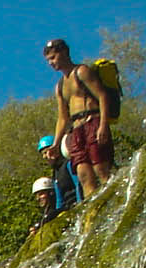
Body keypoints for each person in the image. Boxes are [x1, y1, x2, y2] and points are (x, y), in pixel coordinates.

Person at [45, 39, 117, 197]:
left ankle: (114, 197)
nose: (51, 63)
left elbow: (102, 96)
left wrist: (103, 125)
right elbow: (63, 117)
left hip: (93, 121)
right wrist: (56, 144)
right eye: (48, 60)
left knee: (101, 168)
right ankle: (93, 210)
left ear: (64, 53)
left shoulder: (82, 71)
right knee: (83, 175)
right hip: (76, 131)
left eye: (53, 57)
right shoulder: (60, 86)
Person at [37, 134, 82, 209]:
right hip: (67, 207)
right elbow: (59, 198)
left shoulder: (68, 164)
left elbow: (78, 184)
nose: (45, 157)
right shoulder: (56, 172)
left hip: (76, 203)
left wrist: (80, 203)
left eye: (46, 152)